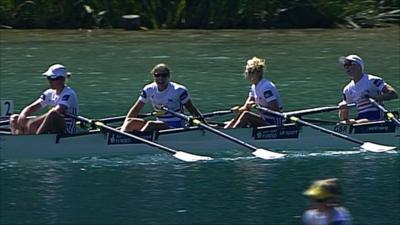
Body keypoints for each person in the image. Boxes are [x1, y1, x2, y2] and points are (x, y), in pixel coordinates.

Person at [121, 63, 203, 132]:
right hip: (159, 122)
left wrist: (205, 125)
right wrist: (123, 125)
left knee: (151, 124)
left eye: (164, 75)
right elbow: (136, 110)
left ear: (169, 76)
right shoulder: (148, 89)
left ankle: (136, 142)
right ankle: (120, 135)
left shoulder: (179, 90)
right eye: (157, 75)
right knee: (130, 122)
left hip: (176, 125)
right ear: (154, 76)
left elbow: (193, 110)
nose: (160, 78)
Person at [10, 64, 79, 135]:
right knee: (14, 118)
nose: (50, 81)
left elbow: (58, 110)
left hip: (66, 131)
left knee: (53, 114)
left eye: (53, 79)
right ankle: (19, 140)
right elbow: (33, 107)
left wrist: (33, 122)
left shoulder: (69, 94)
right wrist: (23, 115)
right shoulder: (49, 93)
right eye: (49, 78)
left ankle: (37, 140)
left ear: (62, 79)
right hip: (52, 127)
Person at [225, 56, 283, 128]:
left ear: (254, 74)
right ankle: (226, 129)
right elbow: (246, 107)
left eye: (247, 72)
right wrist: (238, 110)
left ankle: (231, 133)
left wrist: (258, 107)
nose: (245, 74)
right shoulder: (254, 87)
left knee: (246, 115)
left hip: (274, 122)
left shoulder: (266, 87)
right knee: (243, 113)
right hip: (264, 119)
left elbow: (275, 110)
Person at [338, 54, 398, 124]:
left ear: (359, 66)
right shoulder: (347, 89)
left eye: (349, 64)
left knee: (353, 122)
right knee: (344, 122)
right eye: (345, 65)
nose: (346, 67)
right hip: (362, 118)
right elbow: (343, 118)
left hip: (377, 116)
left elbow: (393, 94)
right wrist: (342, 108)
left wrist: (374, 98)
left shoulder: (372, 80)